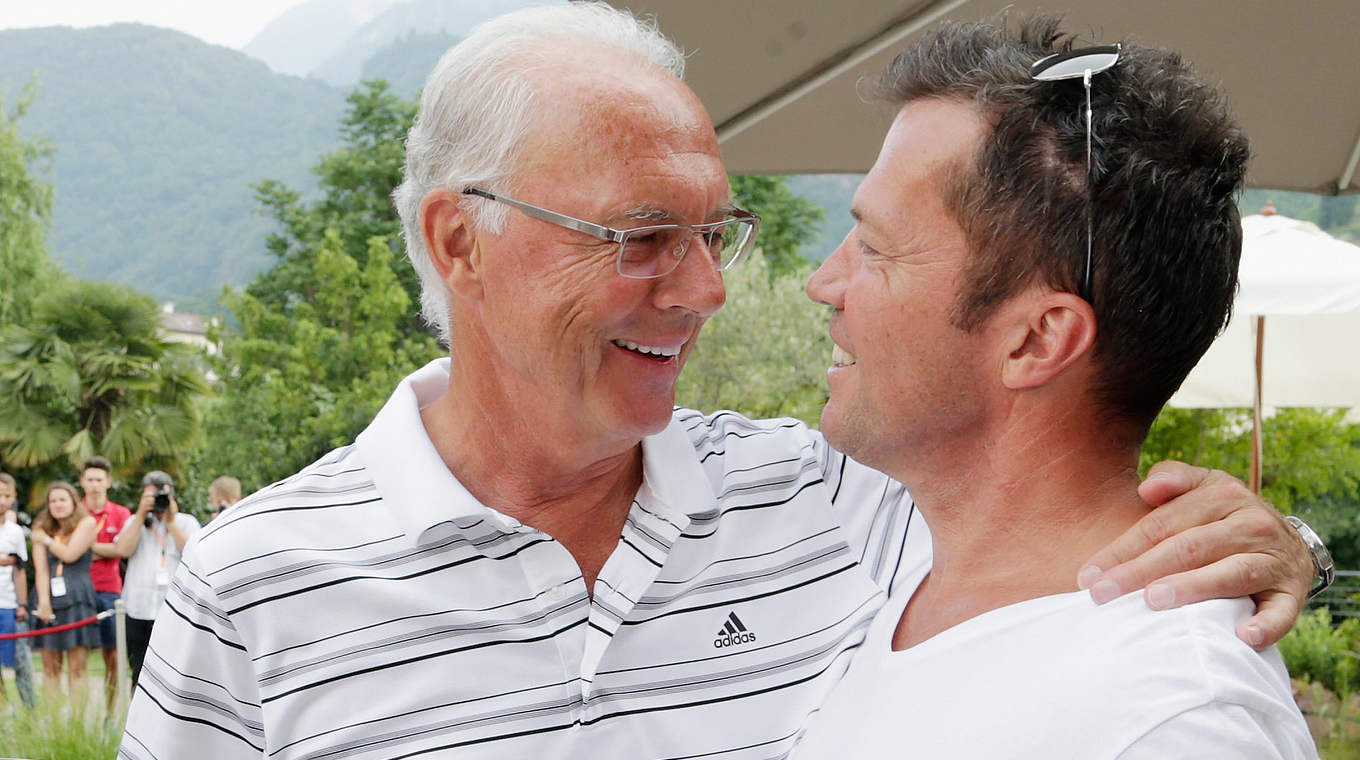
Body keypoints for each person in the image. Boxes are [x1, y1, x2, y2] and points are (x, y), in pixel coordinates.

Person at [121, 5, 1318, 758]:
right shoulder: (253, 590)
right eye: (640, 236)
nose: (709, 291)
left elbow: (1048, 501)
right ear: (458, 240)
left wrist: (1264, 542)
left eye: (716, 232)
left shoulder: (838, 498)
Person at [793, 18, 1315, 757]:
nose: (824, 283)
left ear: (1038, 340)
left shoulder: (1176, 718)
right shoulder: (897, 569)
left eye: (876, 249)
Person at [111, 471, 200, 686]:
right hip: (137, 608)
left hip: (173, 608)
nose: (157, 501)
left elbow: (194, 553)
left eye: (162, 495)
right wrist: (141, 515)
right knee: (138, 669)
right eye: (151, 496)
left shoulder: (185, 522)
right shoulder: (134, 521)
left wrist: (170, 522)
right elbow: (122, 550)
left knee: (175, 670)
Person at [31, 480, 100, 708]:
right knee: (50, 667)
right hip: (48, 598)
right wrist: (43, 602)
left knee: (77, 667)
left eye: (62, 499)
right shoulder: (41, 528)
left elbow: (70, 554)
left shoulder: (87, 522)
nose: (57, 505)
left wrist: (47, 540)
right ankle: (54, 726)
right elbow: (40, 569)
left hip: (78, 598)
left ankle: (77, 724)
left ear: (73, 501)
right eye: (53, 501)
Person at [79, 454, 132, 710]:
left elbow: (122, 549)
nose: (95, 485)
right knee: (77, 654)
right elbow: (68, 548)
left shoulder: (121, 513)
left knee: (112, 654)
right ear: (82, 482)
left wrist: (87, 547)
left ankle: (110, 713)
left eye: (99, 479)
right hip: (79, 590)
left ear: (108, 481)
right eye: (90, 479)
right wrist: (105, 548)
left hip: (110, 589)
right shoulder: (75, 512)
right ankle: (80, 711)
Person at [0, 473, 31, 706]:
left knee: (15, 662)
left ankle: (27, 711)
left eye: (6, 495)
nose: (2, 500)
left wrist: (22, 604)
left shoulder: (16, 532)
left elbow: (20, 570)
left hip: (9, 603)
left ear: (14, 497)